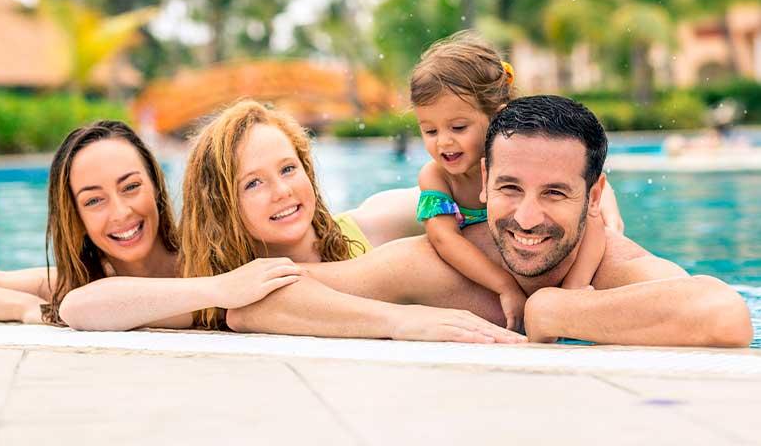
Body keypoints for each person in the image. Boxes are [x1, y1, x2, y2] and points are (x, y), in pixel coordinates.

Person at [227, 96, 753, 347]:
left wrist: (557, 311)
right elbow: (254, 304)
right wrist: (399, 322)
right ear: (483, 180)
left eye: (554, 193)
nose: (527, 218)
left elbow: (723, 315)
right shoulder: (436, 265)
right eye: (509, 188)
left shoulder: (612, 266)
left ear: (593, 195)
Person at [0, 120, 305, 330]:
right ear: (75, 216)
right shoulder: (79, 285)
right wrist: (31, 310)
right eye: (94, 200)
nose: (120, 213)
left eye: (131, 187)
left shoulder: (216, 255)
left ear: (157, 187)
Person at [179, 99, 526, 343]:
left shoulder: (376, 222)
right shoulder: (224, 287)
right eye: (253, 183)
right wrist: (403, 320)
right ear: (220, 204)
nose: (282, 191)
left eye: (288, 169)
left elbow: (491, 198)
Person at [411, 31, 605, 330]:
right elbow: (443, 238)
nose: (444, 143)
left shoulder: (528, 161)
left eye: (458, 127)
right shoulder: (436, 176)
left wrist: (573, 290)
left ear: (496, 117)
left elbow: (593, 219)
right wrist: (505, 286)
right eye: (430, 131)